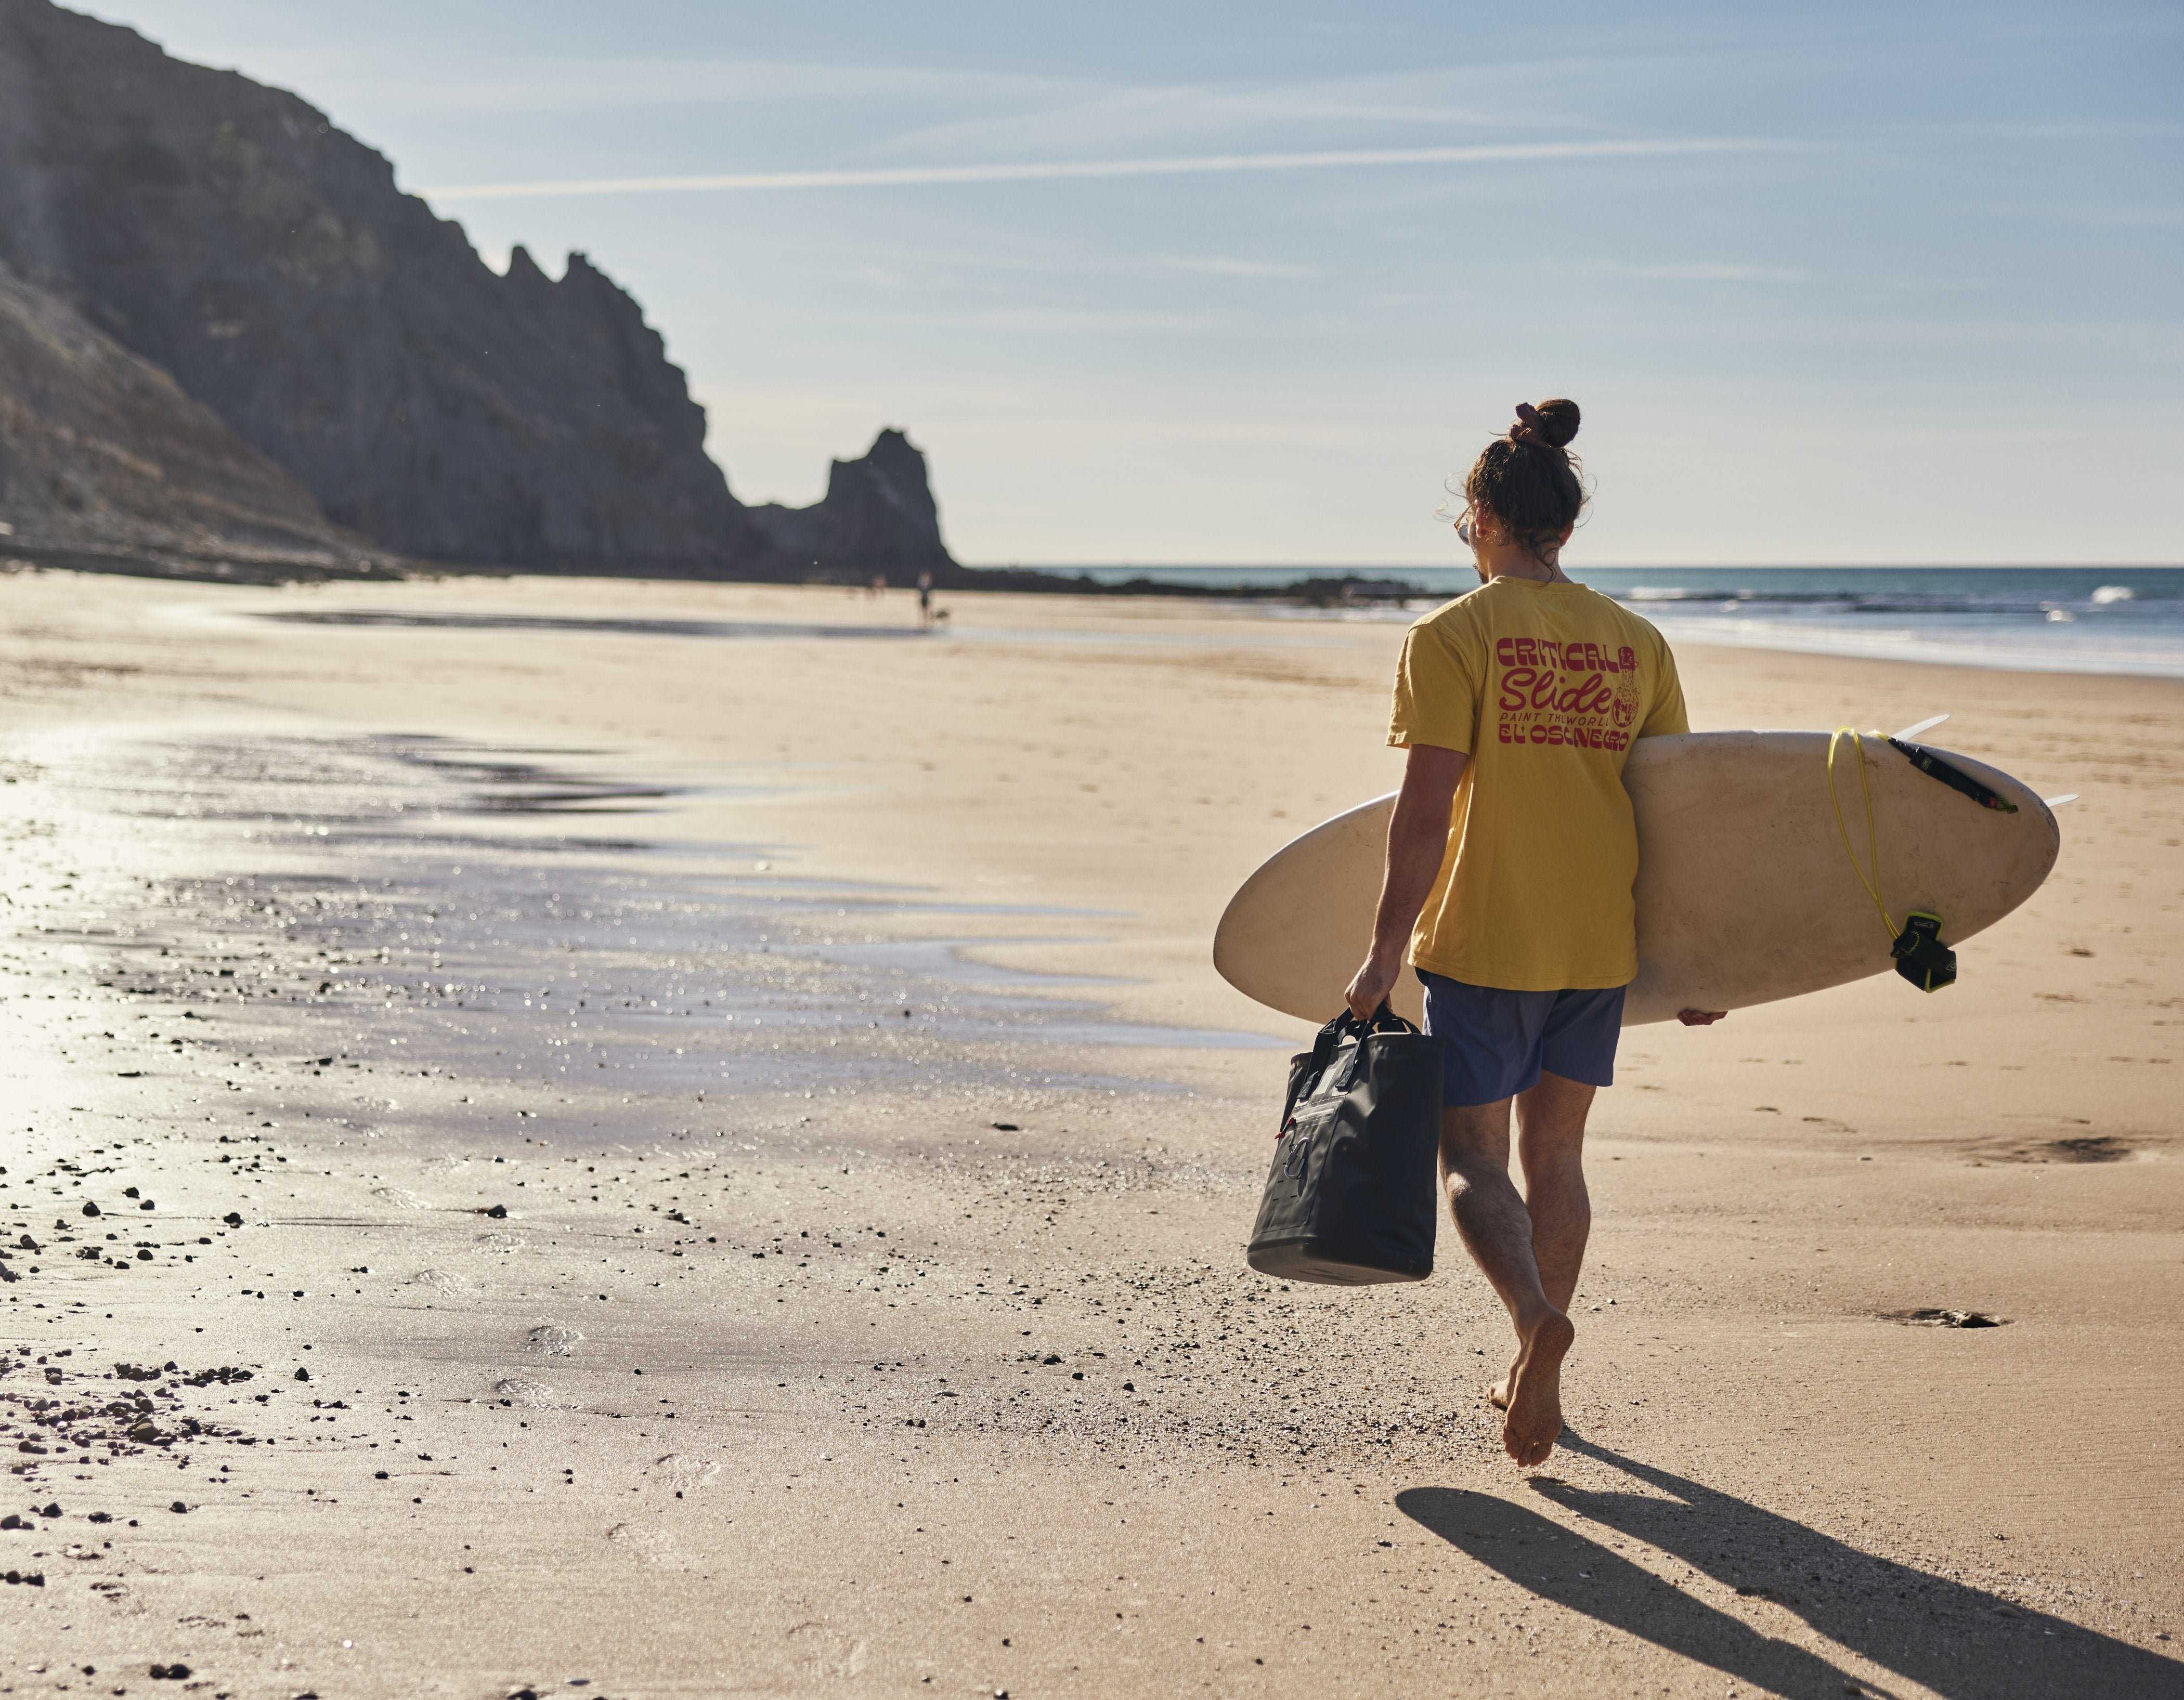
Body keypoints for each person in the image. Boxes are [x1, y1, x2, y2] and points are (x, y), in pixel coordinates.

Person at [1344, 398, 1724, 1469]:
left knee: (1470, 1156)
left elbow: (1424, 814)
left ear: (1479, 518)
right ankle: (1534, 1352)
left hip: (1485, 938)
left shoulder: (1452, 638)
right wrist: (1698, 957)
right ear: (1567, 522)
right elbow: (1677, 814)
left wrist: (1382, 952)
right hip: (1598, 944)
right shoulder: (1636, 642)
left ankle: (1530, 1321)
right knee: (1556, 1152)